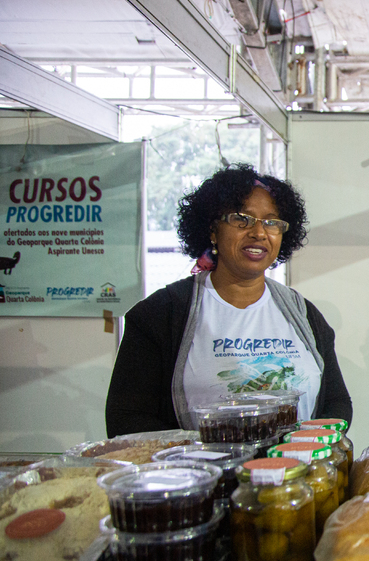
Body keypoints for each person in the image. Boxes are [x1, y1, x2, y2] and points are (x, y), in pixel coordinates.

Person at [105, 164, 352, 435]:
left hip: (293, 473)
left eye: (271, 222)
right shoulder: (160, 314)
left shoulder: (303, 313)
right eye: (242, 219)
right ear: (213, 230)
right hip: (202, 475)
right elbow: (126, 418)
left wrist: (304, 449)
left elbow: (336, 402)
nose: (259, 232)